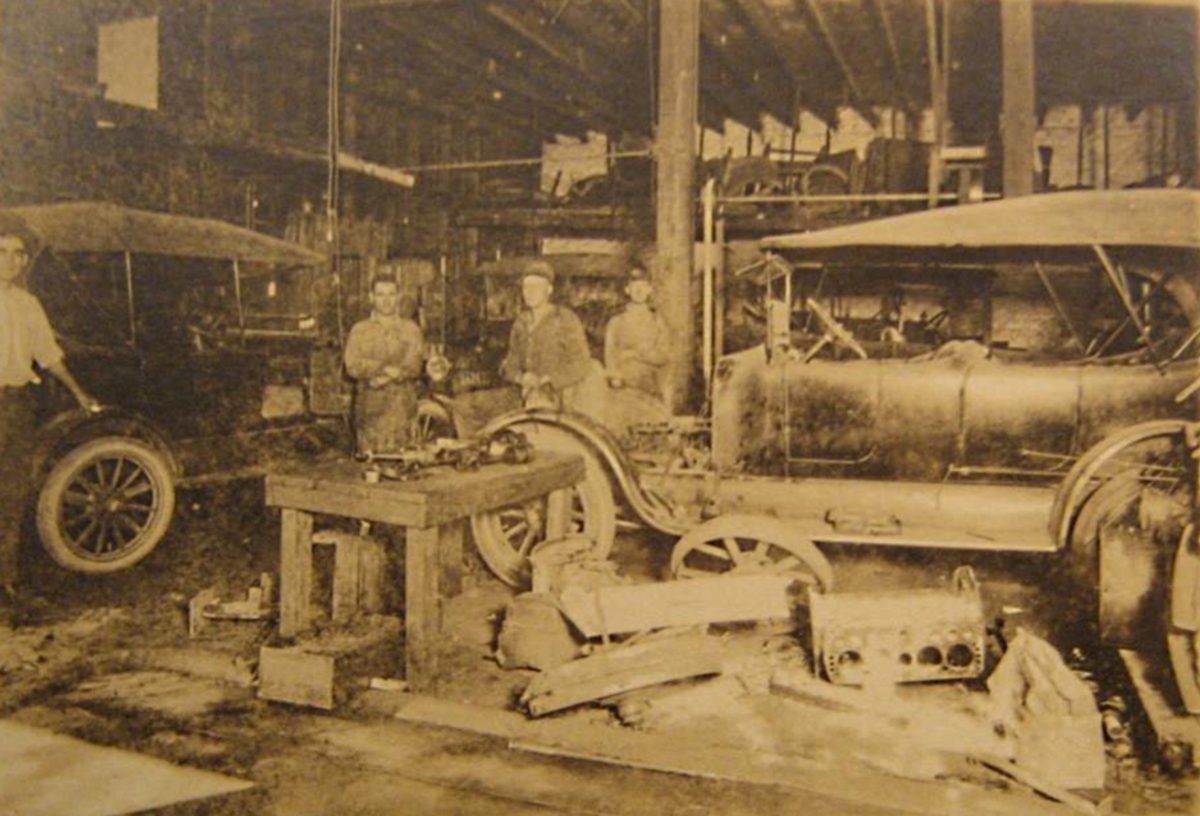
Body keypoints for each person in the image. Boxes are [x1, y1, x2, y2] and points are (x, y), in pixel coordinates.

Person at [0, 215, 100, 598]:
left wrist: (79, 393)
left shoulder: (28, 304)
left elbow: (48, 355)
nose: (10, 261)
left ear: (25, 261)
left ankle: (7, 582)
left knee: (12, 493)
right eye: (2, 253)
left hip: (16, 406)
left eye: (17, 255)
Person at [500, 261, 605, 421]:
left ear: (549, 290)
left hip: (563, 395)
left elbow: (582, 363)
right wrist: (521, 378)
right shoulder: (521, 321)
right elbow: (510, 363)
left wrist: (550, 379)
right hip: (529, 393)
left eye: (537, 287)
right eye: (526, 287)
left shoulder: (564, 318)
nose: (530, 292)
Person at [344, 274, 425, 455]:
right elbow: (352, 365)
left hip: (402, 408)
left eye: (391, 294)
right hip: (370, 409)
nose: (386, 300)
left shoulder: (411, 329)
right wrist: (384, 368)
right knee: (370, 467)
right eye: (380, 294)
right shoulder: (359, 330)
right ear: (371, 297)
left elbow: (414, 366)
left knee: (405, 465)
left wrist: (383, 378)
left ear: (399, 296)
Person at [604, 265, 671, 402]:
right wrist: (615, 376)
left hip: (650, 386)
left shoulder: (657, 322)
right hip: (622, 386)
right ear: (627, 290)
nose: (639, 290)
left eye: (643, 286)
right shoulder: (616, 322)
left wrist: (637, 354)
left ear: (649, 290)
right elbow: (610, 356)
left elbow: (664, 354)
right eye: (634, 286)